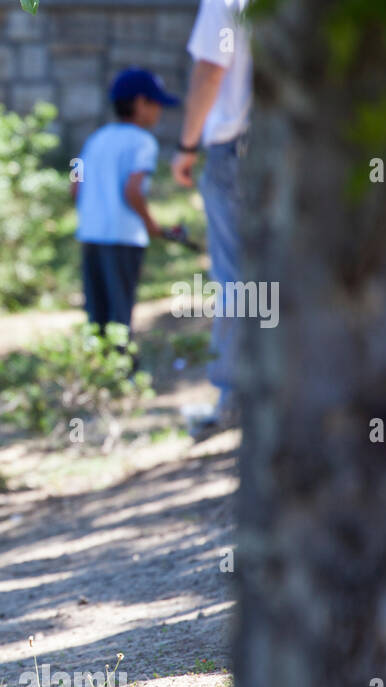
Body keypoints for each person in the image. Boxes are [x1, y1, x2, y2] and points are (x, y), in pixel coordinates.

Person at [172, 0, 252, 438]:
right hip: (309, 147)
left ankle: (235, 401)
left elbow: (210, 70)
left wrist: (186, 148)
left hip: (236, 151)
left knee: (237, 277)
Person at [72, 67, 181, 355]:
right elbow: (133, 190)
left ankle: (99, 367)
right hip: (123, 236)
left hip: (91, 232)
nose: (158, 112)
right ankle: (122, 371)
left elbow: (74, 179)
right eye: (156, 104)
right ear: (140, 103)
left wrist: (89, 209)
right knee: (121, 308)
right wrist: (150, 224)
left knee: (97, 309)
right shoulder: (143, 142)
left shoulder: (96, 138)